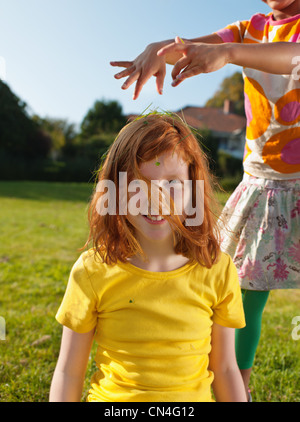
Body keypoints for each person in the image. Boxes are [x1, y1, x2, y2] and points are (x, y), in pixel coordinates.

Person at [110, 0, 300, 401]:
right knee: (241, 292)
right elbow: (195, 47)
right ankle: (238, 391)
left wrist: (229, 54)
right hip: (262, 179)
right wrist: (159, 49)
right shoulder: (253, 27)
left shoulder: (250, 40)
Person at [49, 113, 247, 402]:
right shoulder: (91, 272)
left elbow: (226, 367)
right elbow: (69, 372)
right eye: (138, 183)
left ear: (192, 188)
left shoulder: (218, 270)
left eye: (172, 183)